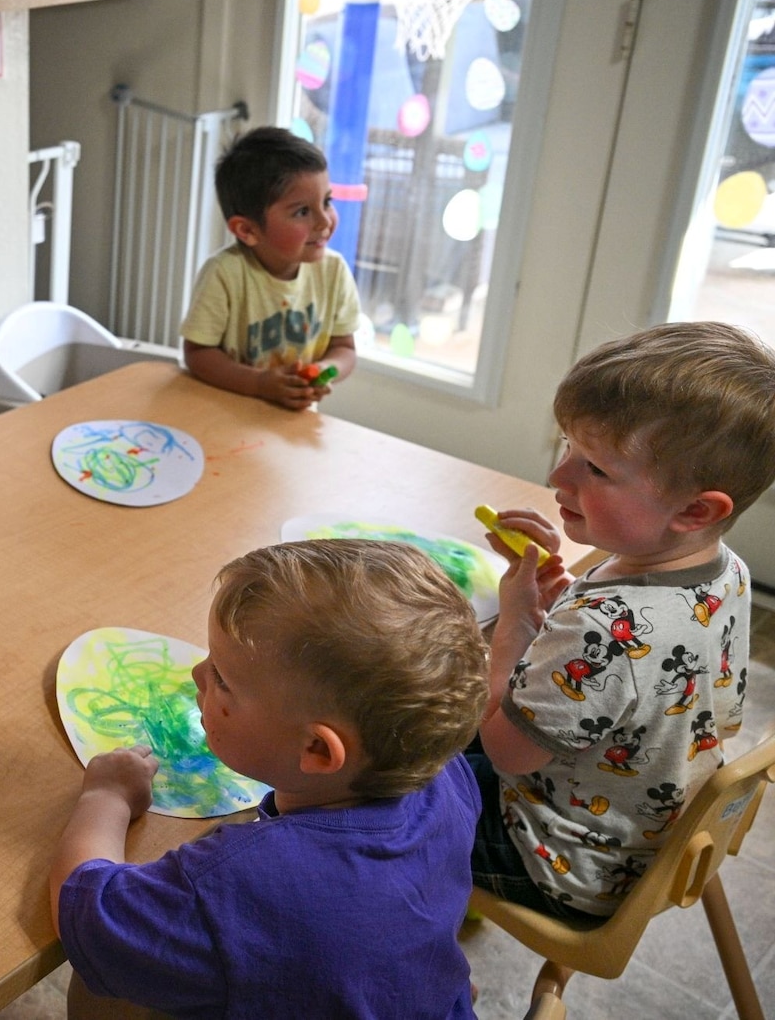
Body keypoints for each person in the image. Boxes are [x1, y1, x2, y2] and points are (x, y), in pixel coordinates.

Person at [50, 539, 489, 1019]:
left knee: (101, 993)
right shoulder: (445, 774)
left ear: (318, 750)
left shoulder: (238, 884)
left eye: (222, 679)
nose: (197, 674)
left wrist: (105, 798)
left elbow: (84, 916)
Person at [471, 320, 775, 921]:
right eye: (568, 448)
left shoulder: (604, 630)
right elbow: (662, 682)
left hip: (558, 863)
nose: (558, 476)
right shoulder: (726, 571)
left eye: (597, 470)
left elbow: (503, 750)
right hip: (649, 835)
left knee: (388, 763)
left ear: (694, 509)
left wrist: (515, 623)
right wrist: (556, 604)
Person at [180, 125, 359, 412]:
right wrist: (260, 383)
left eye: (327, 202)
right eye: (302, 211)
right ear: (247, 230)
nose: (324, 221)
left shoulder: (334, 272)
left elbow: (345, 349)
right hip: (226, 412)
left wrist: (325, 371)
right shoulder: (225, 274)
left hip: (292, 419)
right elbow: (198, 353)